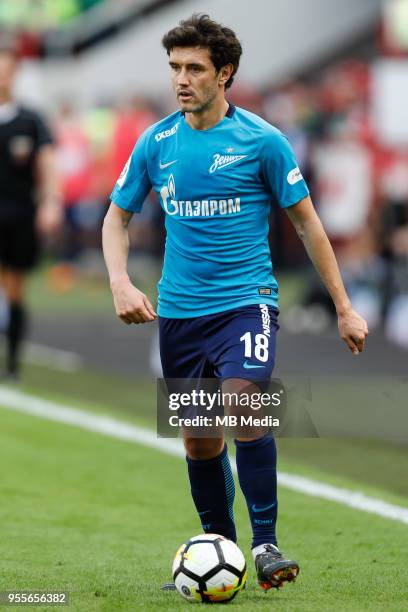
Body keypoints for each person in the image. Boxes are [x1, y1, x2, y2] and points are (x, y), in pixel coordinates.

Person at [102, 14, 368, 592]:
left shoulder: (263, 141)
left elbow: (309, 227)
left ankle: (267, 544)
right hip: (178, 313)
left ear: (225, 73)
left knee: (244, 404)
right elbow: (115, 217)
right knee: (200, 436)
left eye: (194, 68)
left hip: (246, 303)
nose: (181, 79)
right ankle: (218, 544)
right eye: (174, 67)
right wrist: (120, 282)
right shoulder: (157, 142)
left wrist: (344, 306)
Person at [0, 46, 61, 381]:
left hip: (19, 213)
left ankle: (12, 364)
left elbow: (48, 160)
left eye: (6, 69)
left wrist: (51, 201)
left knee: (15, 288)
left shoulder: (30, 119)